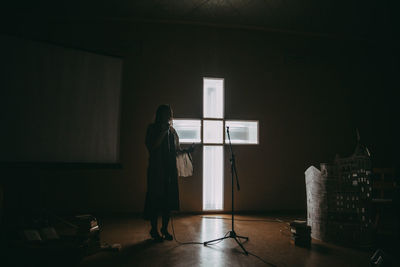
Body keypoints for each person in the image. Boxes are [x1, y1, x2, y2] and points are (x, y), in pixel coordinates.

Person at [144, 104, 194, 241]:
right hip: (156, 171)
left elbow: (176, 150)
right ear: (160, 115)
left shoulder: (172, 131)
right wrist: (162, 132)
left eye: (170, 114)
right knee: (155, 201)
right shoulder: (152, 129)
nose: (169, 117)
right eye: (166, 114)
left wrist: (187, 151)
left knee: (168, 202)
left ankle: (164, 229)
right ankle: (154, 230)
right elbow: (152, 146)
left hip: (169, 171)